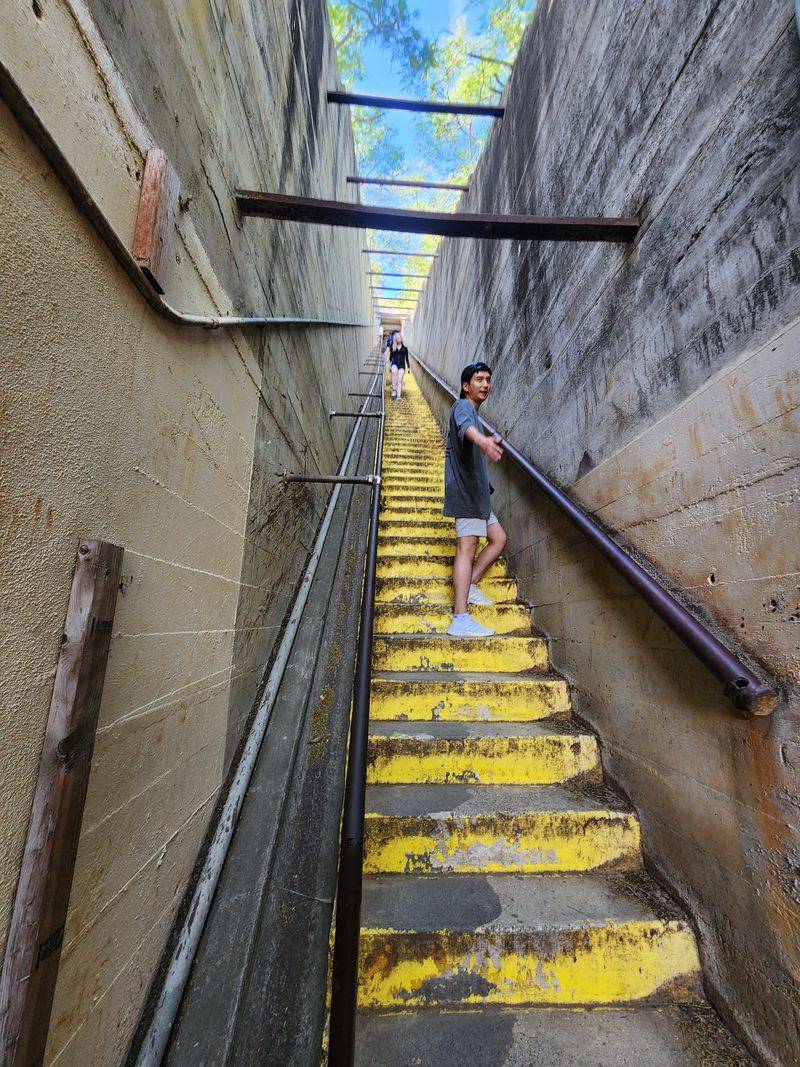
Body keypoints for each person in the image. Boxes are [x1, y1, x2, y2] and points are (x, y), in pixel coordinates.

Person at [444, 362, 507, 637]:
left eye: (488, 380)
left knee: (499, 539)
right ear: (465, 386)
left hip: (479, 497)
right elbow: (465, 428)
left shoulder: (473, 413)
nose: (485, 384)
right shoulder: (463, 407)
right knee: (467, 548)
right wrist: (483, 442)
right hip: (467, 494)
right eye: (478, 379)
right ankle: (460, 617)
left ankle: (469, 584)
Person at [387, 333, 410, 399]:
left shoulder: (405, 348)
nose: (398, 339)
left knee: (399, 380)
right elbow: (390, 357)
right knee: (394, 373)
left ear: (401, 339)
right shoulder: (393, 347)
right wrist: (389, 365)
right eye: (397, 338)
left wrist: (408, 367)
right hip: (394, 363)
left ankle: (398, 396)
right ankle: (394, 389)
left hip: (402, 365)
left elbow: (407, 359)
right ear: (395, 339)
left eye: (399, 338)